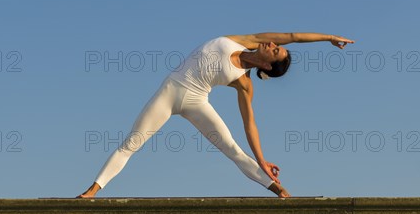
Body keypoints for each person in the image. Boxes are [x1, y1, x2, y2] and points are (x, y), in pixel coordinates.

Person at [77, 32, 355, 198]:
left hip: (196, 101)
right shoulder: (243, 41)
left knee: (233, 149)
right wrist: (328, 38)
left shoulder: (244, 84)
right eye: (274, 44)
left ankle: (278, 189)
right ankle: (91, 192)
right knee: (131, 143)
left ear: (269, 67)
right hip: (169, 91)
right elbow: (293, 36)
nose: (272, 43)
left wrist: (262, 160)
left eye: (275, 49)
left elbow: (250, 125)